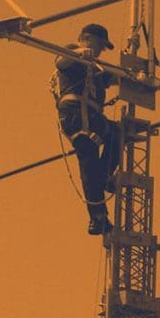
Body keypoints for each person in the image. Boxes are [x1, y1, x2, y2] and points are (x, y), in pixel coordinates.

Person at [54, 24, 121, 235]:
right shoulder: (73, 53)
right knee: (89, 157)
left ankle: (104, 177)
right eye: (100, 45)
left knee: (118, 134)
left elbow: (117, 78)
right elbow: (60, 61)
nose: (101, 50)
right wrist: (82, 52)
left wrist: (135, 73)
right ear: (86, 38)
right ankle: (98, 216)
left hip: (93, 117)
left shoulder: (97, 67)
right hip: (75, 113)